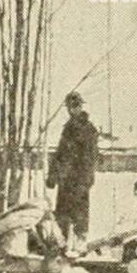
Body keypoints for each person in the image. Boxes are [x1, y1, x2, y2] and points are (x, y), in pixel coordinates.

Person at [46, 92, 98, 254]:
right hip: (65, 180)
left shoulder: (88, 129)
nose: (72, 109)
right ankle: (61, 246)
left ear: (81, 107)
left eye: (76, 106)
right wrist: (52, 175)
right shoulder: (68, 128)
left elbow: (90, 158)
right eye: (70, 106)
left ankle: (79, 245)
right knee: (62, 212)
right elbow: (60, 154)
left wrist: (86, 179)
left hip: (79, 179)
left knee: (80, 212)